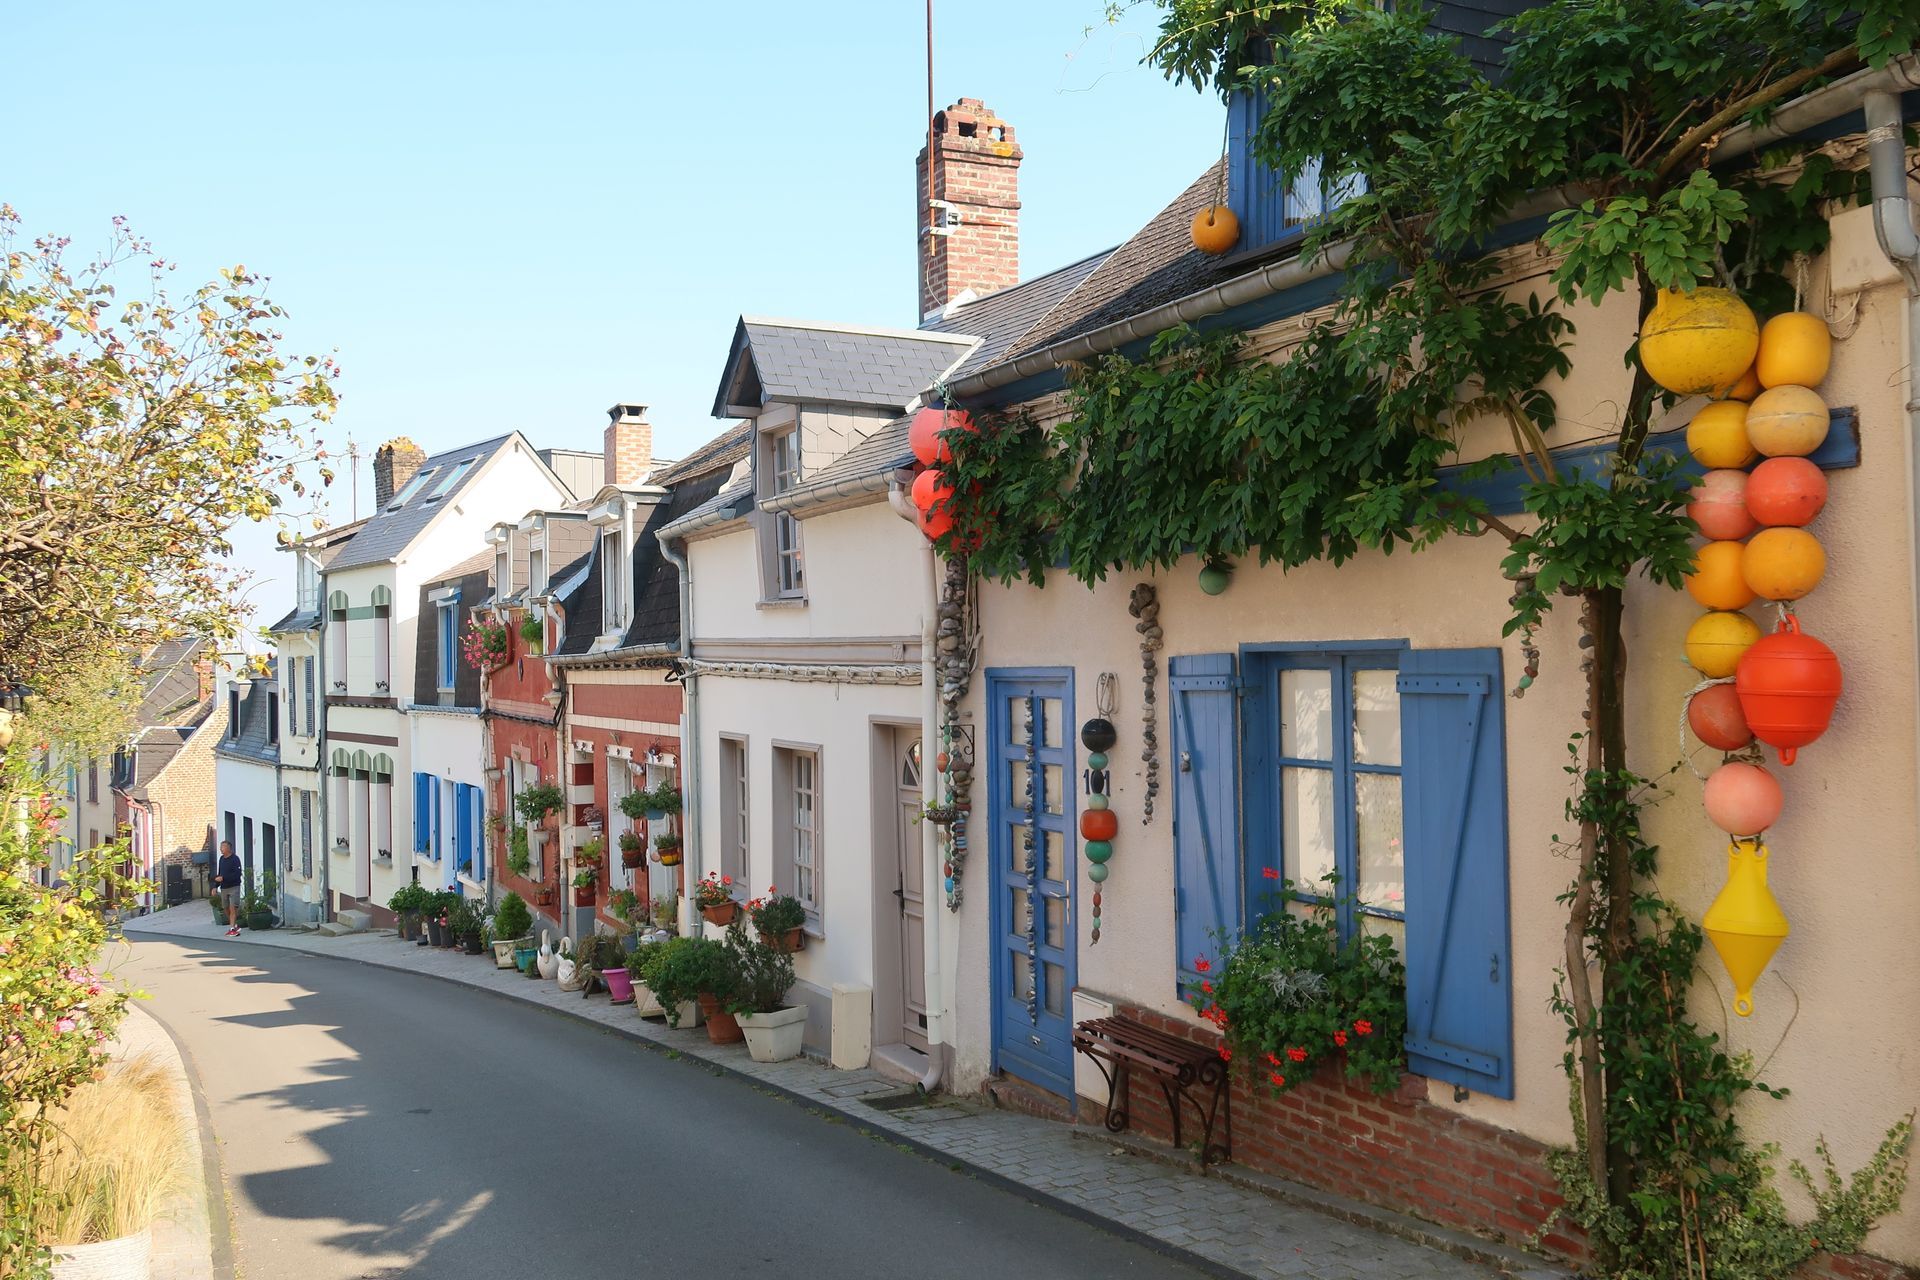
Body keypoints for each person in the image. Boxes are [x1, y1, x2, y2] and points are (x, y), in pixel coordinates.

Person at [213, 840, 244, 937]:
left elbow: (238, 874)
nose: (221, 849)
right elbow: (220, 874)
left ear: (229, 848)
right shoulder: (221, 859)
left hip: (234, 887)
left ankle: (232, 930)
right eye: (220, 846)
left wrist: (225, 878)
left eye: (223, 846)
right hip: (224, 888)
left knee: (232, 907)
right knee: (225, 908)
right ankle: (234, 925)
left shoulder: (235, 859)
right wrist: (215, 886)